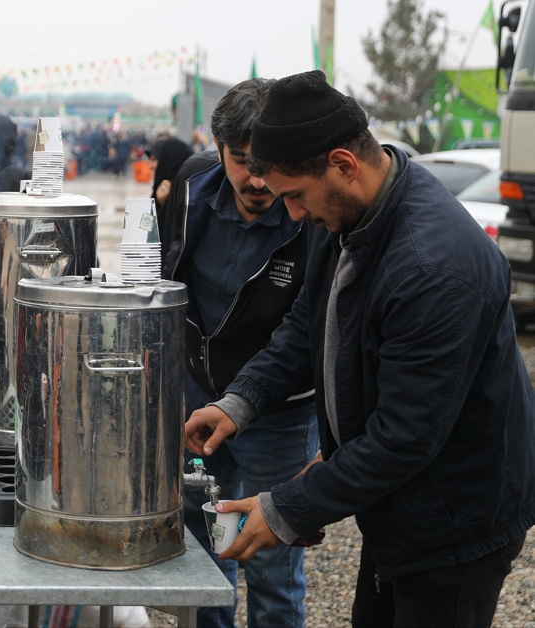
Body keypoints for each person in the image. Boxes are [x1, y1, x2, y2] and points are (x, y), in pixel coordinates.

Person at [184, 70, 535, 628]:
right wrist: (239, 401)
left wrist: (283, 511)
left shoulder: (432, 267)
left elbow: (403, 438)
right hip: (398, 502)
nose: (292, 215)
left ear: (343, 163)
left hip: (454, 521)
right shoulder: (345, 213)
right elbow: (305, 325)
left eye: (295, 197)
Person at [164, 78, 315, 628]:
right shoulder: (191, 184)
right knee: (206, 547)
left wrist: (242, 402)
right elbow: (166, 274)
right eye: (241, 161)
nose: (257, 180)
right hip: (196, 395)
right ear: (217, 146)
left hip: (279, 412)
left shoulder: (309, 217)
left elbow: (304, 332)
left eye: (268, 164)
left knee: (273, 563)